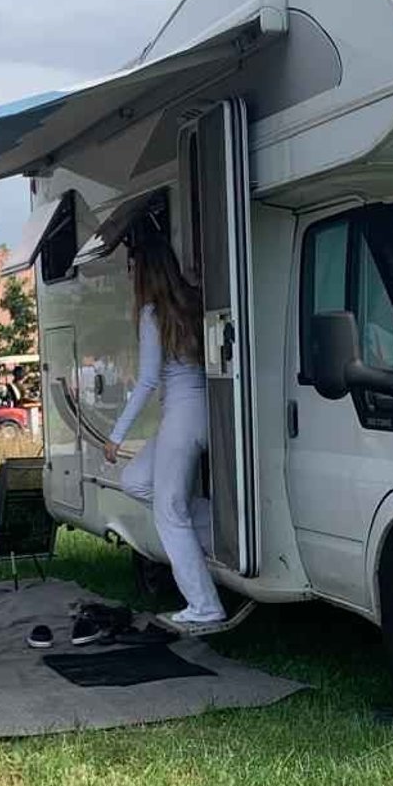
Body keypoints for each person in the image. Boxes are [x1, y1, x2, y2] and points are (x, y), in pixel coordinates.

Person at [101, 215, 225, 628]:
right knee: (137, 480)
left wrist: (116, 436)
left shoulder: (153, 314)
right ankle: (225, 529)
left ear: (145, 272)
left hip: (181, 416)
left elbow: (149, 380)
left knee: (169, 512)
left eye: (134, 268)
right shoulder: (193, 301)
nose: (131, 274)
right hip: (205, 412)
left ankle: (205, 606)